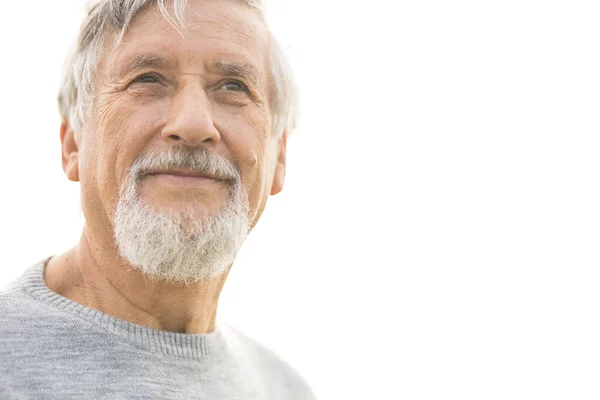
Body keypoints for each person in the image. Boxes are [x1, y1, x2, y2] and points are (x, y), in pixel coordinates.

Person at [0, 0, 315, 398]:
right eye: (147, 79)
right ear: (73, 144)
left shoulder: (284, 388)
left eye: (233, 86)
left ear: (279, 157)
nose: (194, 124)